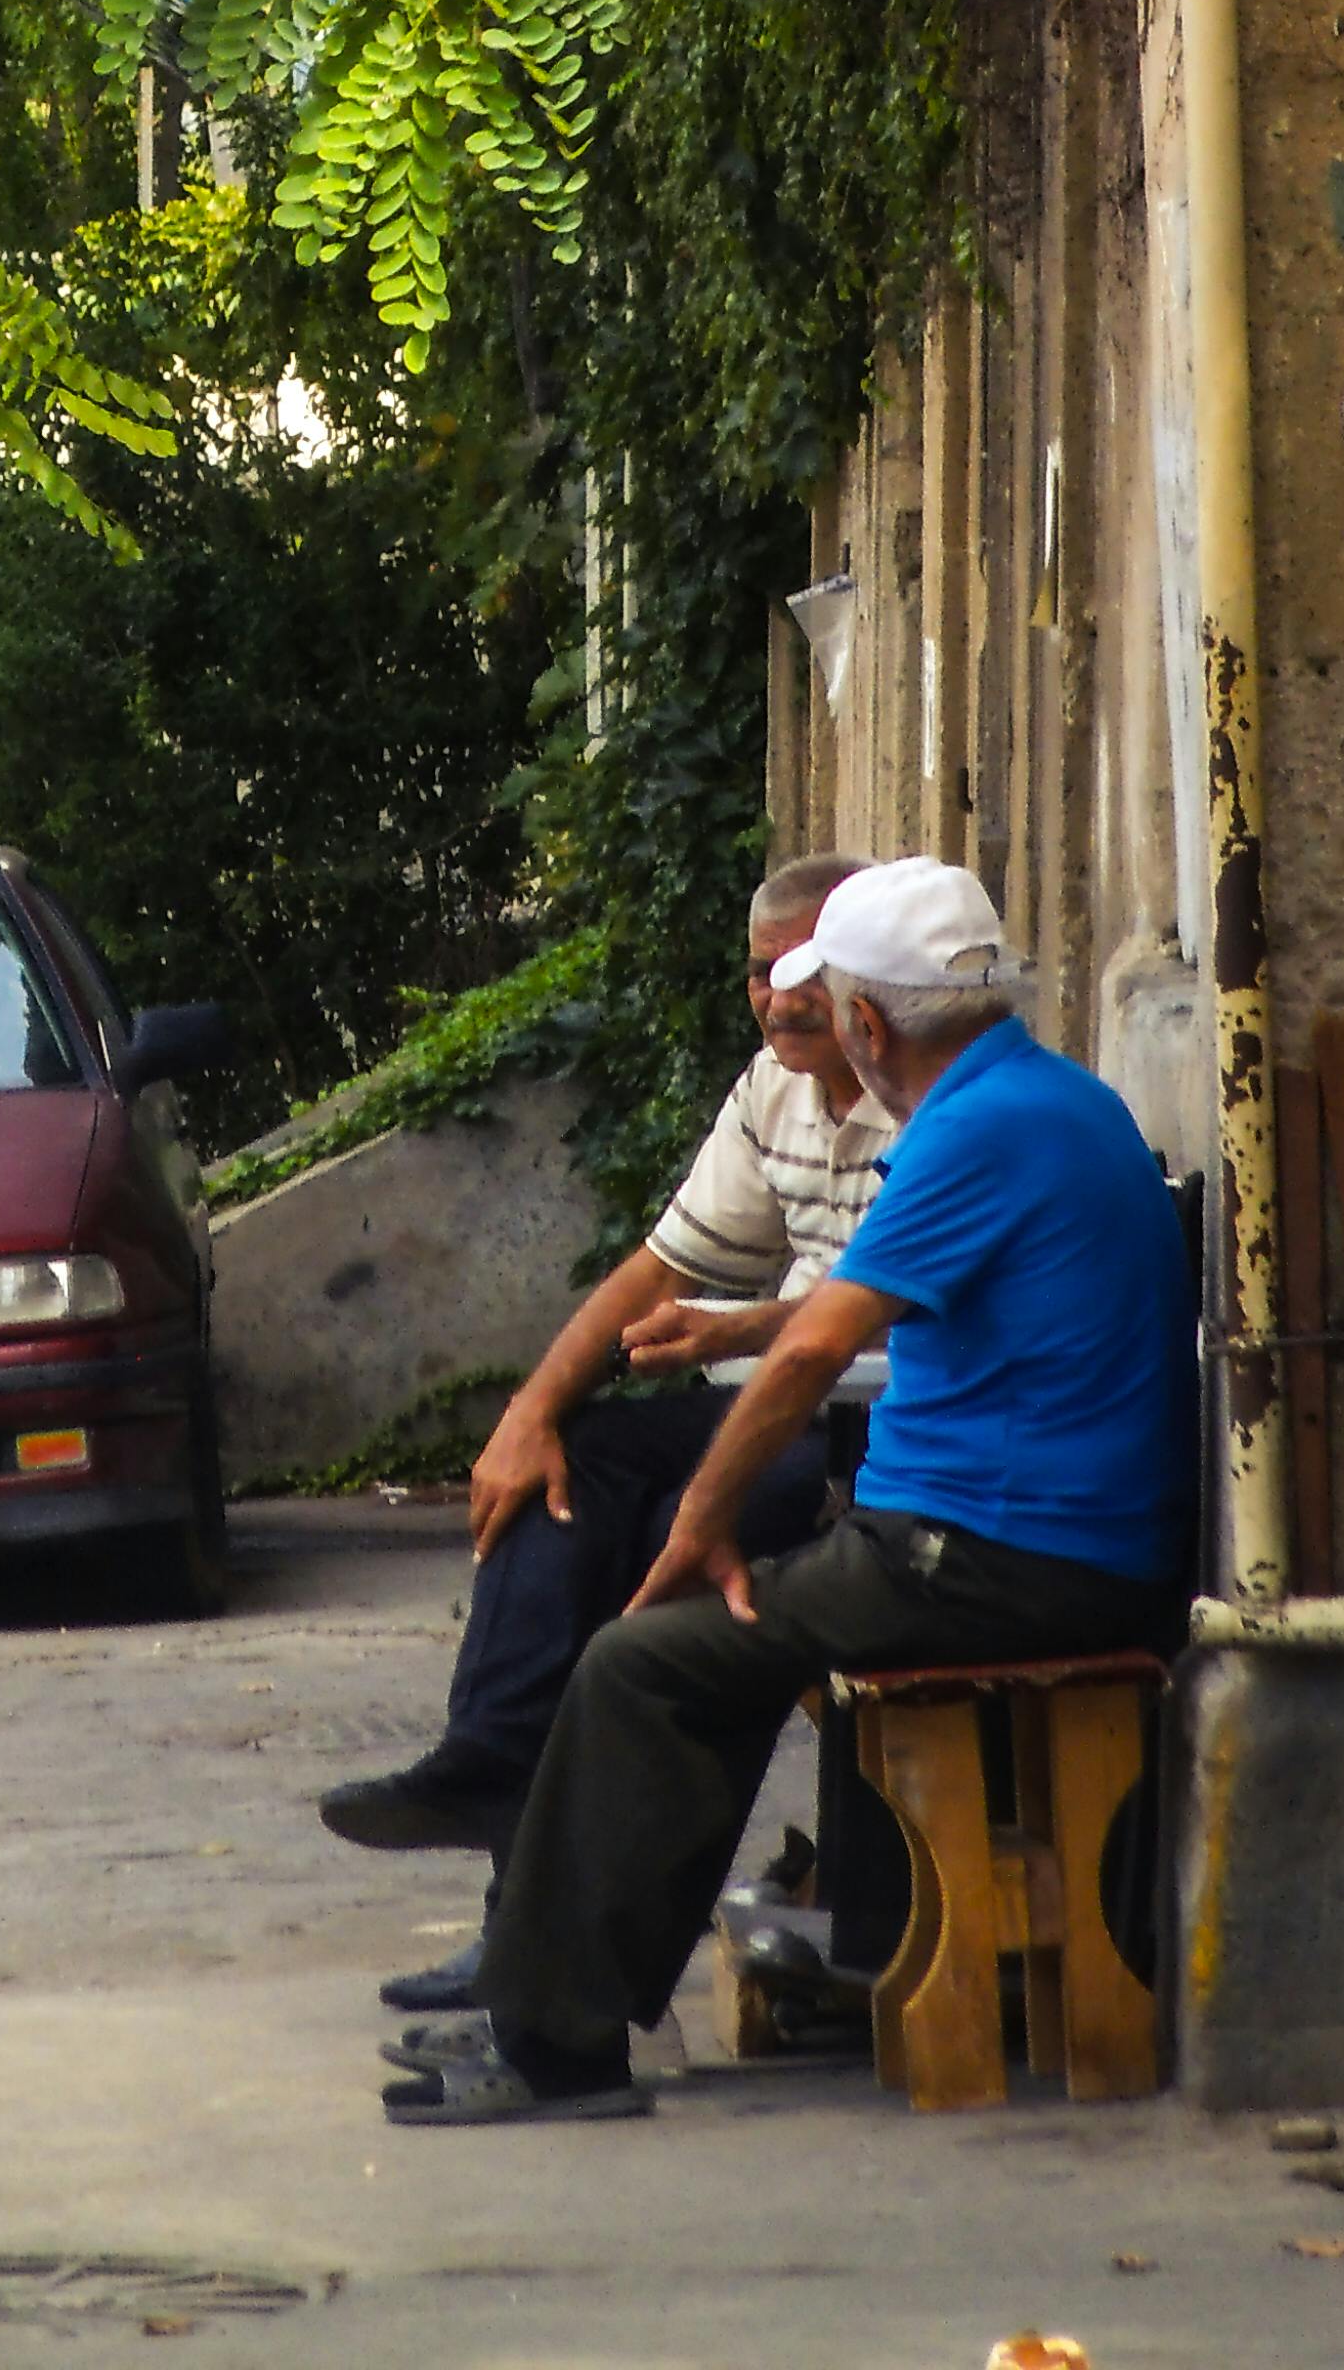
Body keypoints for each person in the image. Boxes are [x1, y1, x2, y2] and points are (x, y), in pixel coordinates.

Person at [379, 855, 1196, 2124]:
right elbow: (815, 1315)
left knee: (640, 1663)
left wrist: (702, 1521)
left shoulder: (976, 1128)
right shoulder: (1044, 1098)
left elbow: (818, 1344)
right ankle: (559, 1994)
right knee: (683, 1655)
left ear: (867, 1024)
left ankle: (552, 2042)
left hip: (994, 1555)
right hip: (998, 1538)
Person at [314, 855, 892, 2008]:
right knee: (564, 1472)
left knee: (649, 1608)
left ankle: (553, 1972)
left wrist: (743, 1331)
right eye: (757, 972)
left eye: (805, 972)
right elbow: (663, 1266)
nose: (778, 998)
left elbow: (875, 1313)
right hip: (788, 1401)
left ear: (871, 985)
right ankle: (490, 1768)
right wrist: (528, 1416)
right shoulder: (771, 1094)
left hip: (883, 1434)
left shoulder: (938, 1100)